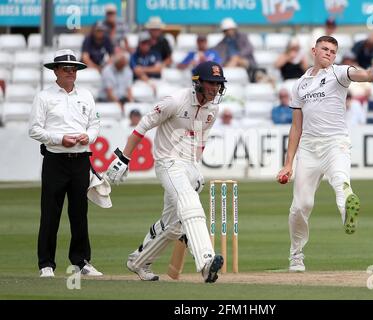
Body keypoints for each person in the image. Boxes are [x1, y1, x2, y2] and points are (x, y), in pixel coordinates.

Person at [276, 36, 373, 272]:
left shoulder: (339, 73)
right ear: (314, 50)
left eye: (333, 51)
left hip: (335, 142)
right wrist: (288, 164)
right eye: (325, 49)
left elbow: (364, 75)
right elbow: (296, 126)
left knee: (340, 181)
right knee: (300, 206)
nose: (328, 53)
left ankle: (348, 209)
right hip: (308, 147)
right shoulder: (300, 84)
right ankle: (296, 255)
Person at [105, 61, 227, 282]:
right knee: (189, 204)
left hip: (189, 165)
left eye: (219, 84)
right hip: (168, 163)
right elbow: (143, 126)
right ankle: (206, 262)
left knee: (172, 224)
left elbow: (199, 141)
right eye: (211, 83)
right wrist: (124, 157)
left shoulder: (213, 109)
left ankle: (138, 261)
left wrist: (194, 169)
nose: (215, 88)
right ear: (198, 83)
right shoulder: (175, 101)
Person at [28, 49, 102, 278]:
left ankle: (81, 261)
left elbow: (95, 124)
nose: (71, 72)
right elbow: (34, 129)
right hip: (55, 160)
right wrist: (60, 139)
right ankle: (46, 264)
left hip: (81, 160)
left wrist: (87, 137)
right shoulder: (44, 97)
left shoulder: (86, 95)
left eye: (74, 69)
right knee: (50, 212)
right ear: (56, 71)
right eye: (66, 69)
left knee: (80, 213)